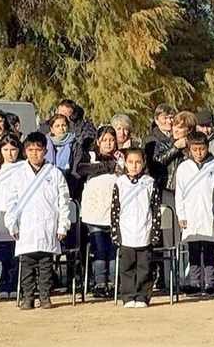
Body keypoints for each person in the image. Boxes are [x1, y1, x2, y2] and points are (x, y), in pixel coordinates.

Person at [0, 132, 71, 310]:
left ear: (45, 151)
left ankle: (45, 297)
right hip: (26, 229)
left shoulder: (55, 173)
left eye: (38, 150)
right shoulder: (18, 174)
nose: (34, 154)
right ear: (25, 151)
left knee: (46, 267)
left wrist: (63, 225)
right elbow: (11, 202)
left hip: (48, 227)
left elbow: (64, 201)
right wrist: (12, 224)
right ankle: (28, 297)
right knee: (27, 268)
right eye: (31, 150)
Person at [111, 148, 162, 309]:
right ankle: (128, 296)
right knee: (127, 267)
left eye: (138, 162)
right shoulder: (120, 183)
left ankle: (142, 296)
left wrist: (154, 232)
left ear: (143, 163)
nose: (134, 166)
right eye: (131, 162)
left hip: (144, 231)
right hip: (126, 232)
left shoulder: (149, 182)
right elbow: (115, 210)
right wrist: (115, 233)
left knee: (144, 267)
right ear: (125, 163)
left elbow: (155, 209)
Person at [78, 126, 122, 298]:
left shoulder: (122, 158)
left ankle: (113, 282)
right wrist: (107, 166)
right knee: (99, 249)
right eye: (105, 140)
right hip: (94, 213)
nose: (109, 143)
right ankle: (99, 283)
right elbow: (81, 170)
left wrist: (116, 164)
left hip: (114, 214)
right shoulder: (90, 157)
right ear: (98, 142)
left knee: (113, 250)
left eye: (112, 140)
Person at [175, 132, 214, 296]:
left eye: (202, 149)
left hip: (210, 213)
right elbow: (179, 193)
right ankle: (194, 282)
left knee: (210, 248)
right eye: (195, 149)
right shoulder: (183, 167)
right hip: (191, 213)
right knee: (194, 249)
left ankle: (210, 282)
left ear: (207, 148)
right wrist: (181, 215)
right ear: (189, 149)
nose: (199, 153)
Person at [0, 134, 24, 300]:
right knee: (1, 253)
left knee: (16, 253)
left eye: (13, 149)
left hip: (18, 215)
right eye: (6, 150)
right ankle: (1, 284)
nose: (10, 153)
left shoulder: (24, 166)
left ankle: (15, 283)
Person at [45, 114, 82, 184]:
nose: (61, 128)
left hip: (69, 181)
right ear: (52, 129)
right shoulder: (44, 144)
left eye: (64, 125)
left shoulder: (75, 144)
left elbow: (75, 168)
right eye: (57, 126)